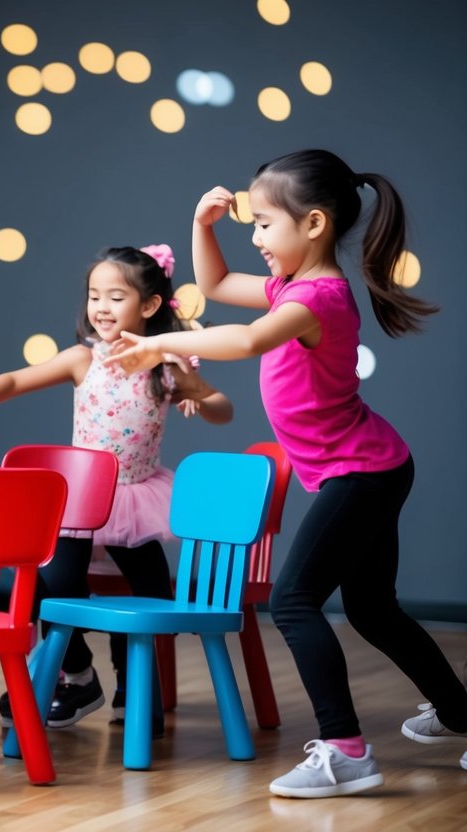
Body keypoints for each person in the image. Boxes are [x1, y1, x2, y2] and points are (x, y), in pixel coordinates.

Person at [106, 148, 467, 798]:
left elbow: (244, 341)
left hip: (362, 472)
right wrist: (201, 225)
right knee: (373, 609)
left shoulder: (316, 301)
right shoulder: (291, 289)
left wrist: (161, 342)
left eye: (264, 223)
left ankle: (345, 750)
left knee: (295, 600)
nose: (256, 238)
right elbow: (215, 286)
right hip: (370, 467)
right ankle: (459, 713)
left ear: (314, 225)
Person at [0, 244, 233, 733]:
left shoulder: (165, 365)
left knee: (146, 593)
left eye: (115, 296)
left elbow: (222, 409)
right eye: (93, 295)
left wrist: (198, 394)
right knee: (54, 586)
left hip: (134, 497)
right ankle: (77, 676)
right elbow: (17, 379)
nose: (100, 307)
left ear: (148, 306)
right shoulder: (84, 359)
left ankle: (134, 686)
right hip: (79, 501)